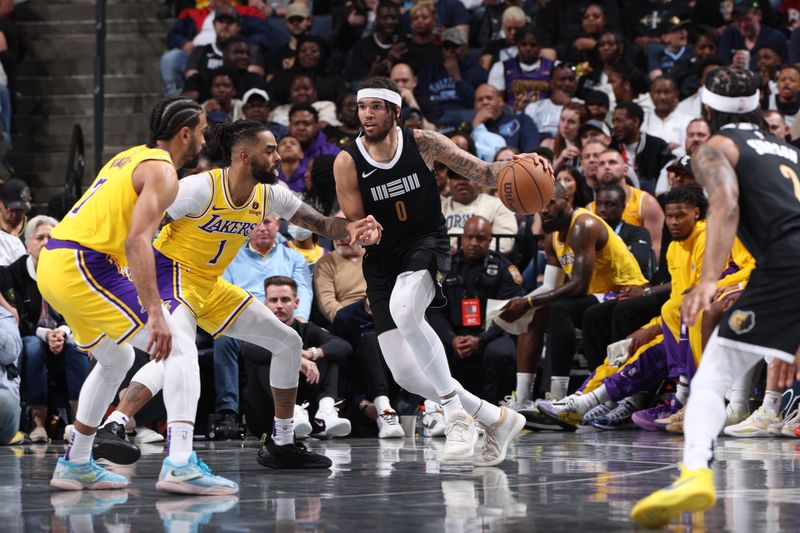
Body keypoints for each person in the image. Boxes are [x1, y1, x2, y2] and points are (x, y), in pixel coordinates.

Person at [89, 120, 378, 472]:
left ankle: (282, 442)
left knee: (287, 343)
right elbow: (141, 226)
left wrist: (349, 226)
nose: (277, 158)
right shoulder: (198, 189)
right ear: (244, 156)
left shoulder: (271, 193)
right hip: (172, 276)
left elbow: (320, 224)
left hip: (210, 284)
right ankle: (115, 424)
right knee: (176, 355)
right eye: (269, 150)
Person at [333, 76, 550, 465]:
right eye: (362, 106)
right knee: (405, 374)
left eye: (376, 107)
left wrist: (521, 163)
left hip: (426, 244)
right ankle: (496, 418)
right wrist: (362, 228)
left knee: (405, 310)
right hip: (381, 261)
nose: (367, 114)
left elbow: (483, 173)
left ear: (395, 112)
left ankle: (455, 417)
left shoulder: (424, 142)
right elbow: (353, 219)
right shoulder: (347, 160)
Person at [631, 67, 800, 527]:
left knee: (713, 374)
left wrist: (707, 280)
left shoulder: (716, 147)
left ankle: (695, 474)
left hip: (786, 259)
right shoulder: (788, 149)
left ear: (707, 109)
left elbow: (724, 200)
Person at [37, 97, 229, 493]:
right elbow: (138, 239)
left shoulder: (129, 157)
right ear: (185, 133)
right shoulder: (163, 172)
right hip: (83, 263)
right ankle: (179, 463)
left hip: (56, 263)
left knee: (117, 356)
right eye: (204, 130)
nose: (206, 139)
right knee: (177, 344)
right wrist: (155, 312)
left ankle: (75, 462)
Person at [499, 181, 648, 405]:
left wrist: (528, 301)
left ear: (566, 200)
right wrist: (522, 304)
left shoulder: (583, 225)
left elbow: (578, 286)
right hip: (593, 297)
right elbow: (550, 286)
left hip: (622, 291)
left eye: (550, 203)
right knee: (531, 317)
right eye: (540, 206)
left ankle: (557, 396)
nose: (544, 211)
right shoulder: (552, 238)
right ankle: (521, 399)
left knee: (560, 309)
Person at [0, 216, 89, 444]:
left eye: (51, 237)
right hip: (30, 335)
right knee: (32, 347)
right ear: (27, 243)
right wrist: (45, 334)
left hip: (62, 333)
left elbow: (78, 310)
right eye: (40, 238)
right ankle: (37, 421)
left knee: (78, 349)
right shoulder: (13, 273)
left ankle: (81, 421)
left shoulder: (70, 270)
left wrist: (63, 331)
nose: (46, 242)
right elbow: (16, 317)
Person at [241, 276, 352, 440]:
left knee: (327, 353)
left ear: (296, 303)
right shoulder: (257, 330)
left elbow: (344, 346)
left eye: (285, 299)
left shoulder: (306, 329)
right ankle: (291, 410)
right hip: (266, 420)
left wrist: (311, 353)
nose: (279, 305)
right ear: (265, 303)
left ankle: (326, 410)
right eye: (273, 300)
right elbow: (248, 349)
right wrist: (296, 358)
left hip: (307, 418)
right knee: (267, 357)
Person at [428, 216, 523, 405]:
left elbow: (509, 313)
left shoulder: (505, 269)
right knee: (432, 350)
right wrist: (452, 338)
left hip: (491, 335)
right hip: (455, 334)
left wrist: (481, 340)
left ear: (489, 241)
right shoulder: (445, 268)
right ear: (462, 239)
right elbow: (434, 311)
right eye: (469, 237)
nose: (474, 243)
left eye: (480, 239)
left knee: (500, 352)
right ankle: (440, 408)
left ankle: (492, 408)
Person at [593, 184, 654, 279]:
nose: (602, 209)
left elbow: (639, 262)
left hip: (628, 288)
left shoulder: (638, 232)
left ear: (622, 207)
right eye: (598, 204)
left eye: (609, 204)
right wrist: (624, 253)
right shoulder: (590, 233)